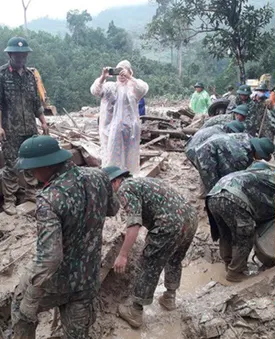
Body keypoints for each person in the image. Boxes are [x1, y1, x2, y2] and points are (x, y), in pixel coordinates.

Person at [11, 135, 119, 338]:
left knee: (19, 305)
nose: (32, 174)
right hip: (88, 276)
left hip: (57, 283)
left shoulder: (49, 199)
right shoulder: (100, 176)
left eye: (32, 170)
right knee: (77, 331)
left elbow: (50, 257)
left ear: (45, 166)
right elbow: (113, 209)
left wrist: (31, 297)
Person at [103, 166, 198, 328]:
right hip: (190, 218)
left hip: (169, 224)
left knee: (149, 264)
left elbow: (134, 223)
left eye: (107, 188)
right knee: (174, 259)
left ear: (116, 181)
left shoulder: (124, 189)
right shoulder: (141, 183)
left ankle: (135, 311)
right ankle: (169, 297)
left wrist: (123, 254)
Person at [0, 37, 49, 215]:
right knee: (12, 166)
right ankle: (10, 201)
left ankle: (31, 195)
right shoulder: (2, 75)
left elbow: (36, 102)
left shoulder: (30, 76)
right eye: (17, 55)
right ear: (10, 54)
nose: (21, 58)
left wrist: (43, 121)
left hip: (30, 129)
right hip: (10, 130)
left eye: (24, 55)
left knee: (31, 164)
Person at [206, 162, 275, 282]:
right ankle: (235, 272)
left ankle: (228, 263)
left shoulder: (245, 175)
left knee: (225, 233)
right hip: (232, 199)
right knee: (245, 237)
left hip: (212, 197)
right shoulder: (270, 176)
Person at [91, 60, 149, 175]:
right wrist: (103, 77)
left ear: (129, 72)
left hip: (130, 130)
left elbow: (143, 89)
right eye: (119, 71)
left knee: (129, 157)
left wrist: (130, 78)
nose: (121, 75)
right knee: (112, 155)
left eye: (124, 71)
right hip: (112, 130)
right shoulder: (110, 87)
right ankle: (112, 177)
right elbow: (95, 91)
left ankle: (128, 177)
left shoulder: (134, 87)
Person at [194, 136, 274, 198]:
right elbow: (230, 175)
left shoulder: (247, 138)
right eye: (262, 156)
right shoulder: (241, 155)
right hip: (205, 153)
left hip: (211, 147)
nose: (261, 159)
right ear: (258, 151)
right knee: (214, 185)